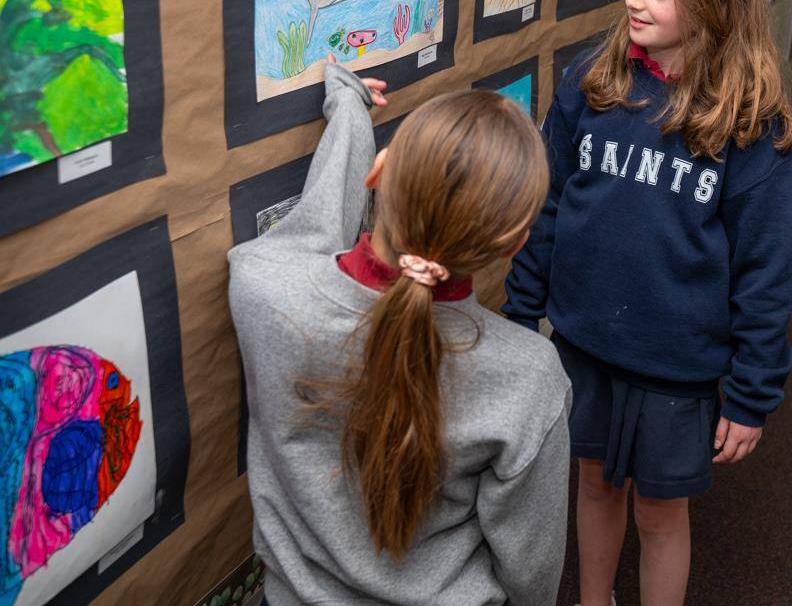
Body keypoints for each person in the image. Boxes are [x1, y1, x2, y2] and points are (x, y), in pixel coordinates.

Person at [503, 0, 792, 606]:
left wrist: (752, 393)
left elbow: (768, 270)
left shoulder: (751, 127)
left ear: (712, 3)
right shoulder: (592, 82)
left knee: (660, 513)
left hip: (677, 365)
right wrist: (520, 319)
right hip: (583, 344)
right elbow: (547, 208)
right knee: (593, 484)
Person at [229, 58, 572, 606]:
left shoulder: (263, 290)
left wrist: (348, 109)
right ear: (514, 244)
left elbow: (315, 230)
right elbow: (530, 564)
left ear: (378, 172)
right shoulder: (530, 376)